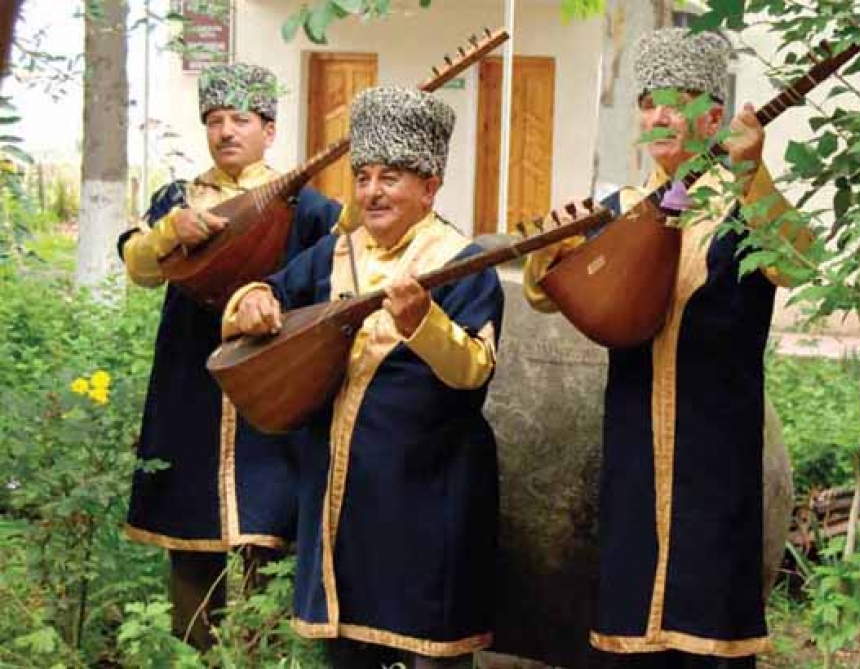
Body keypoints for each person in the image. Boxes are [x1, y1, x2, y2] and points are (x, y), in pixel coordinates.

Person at [523, 28, 812, 668]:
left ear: (713, 116)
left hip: (719, 455)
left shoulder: (744, 208)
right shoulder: (618, 208)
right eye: (648, 103)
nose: (658, 117)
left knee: (709, 624)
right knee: (631, 620)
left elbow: (798, 262)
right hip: (632, 450)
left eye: (674, 103)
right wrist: (549, 253)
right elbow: (549, 296)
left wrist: (753, 174)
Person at [223, 85, 504, 668]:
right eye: (364, 177)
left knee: (428, 650)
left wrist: (423, 322)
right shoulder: (335, 256)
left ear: (429, 188)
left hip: (430, 496)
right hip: (341, 502)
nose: (372, 192)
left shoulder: (460, 262)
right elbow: (269, 291)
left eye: (391, 178)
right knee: (347, 647)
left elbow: (474, 371)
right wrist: (250, 301)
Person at [117, 62, 343, 650]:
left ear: (269, 130)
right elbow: (139, 268)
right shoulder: (179, 200)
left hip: (274, 391)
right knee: (191, 539)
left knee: (269, 538)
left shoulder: (307, 205)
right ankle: (197, 654)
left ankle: (265, 654)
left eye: (240, 119)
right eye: (214, 120)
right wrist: (170, 235)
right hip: (191, 385)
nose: (225, 132)